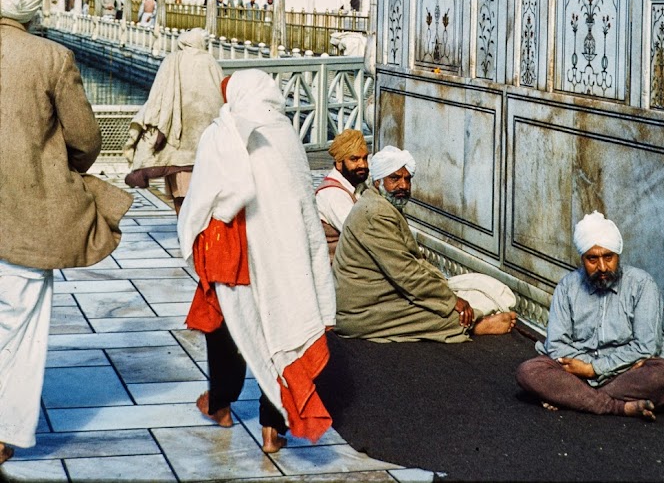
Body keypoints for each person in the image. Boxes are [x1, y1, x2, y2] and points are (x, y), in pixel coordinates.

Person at [0, 0, 132, 465]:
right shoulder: (52, 57)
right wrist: (55, 164)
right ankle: (4, 430)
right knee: (18, 326)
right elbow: (85, 139)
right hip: (26, 217)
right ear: (34, 6)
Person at [178, 70, 335, 453]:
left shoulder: (223, 130)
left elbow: (204, 195)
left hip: (237, 246)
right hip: (283, 246)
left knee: (230, 322)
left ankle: (221, 404)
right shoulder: (284, 131)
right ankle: (272, 428)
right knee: (278, 324)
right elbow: (301, 196)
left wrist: (192, 232)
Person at [333, 145, 516, 342]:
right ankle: (477, 325)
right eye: (394, 178)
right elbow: (406, 273)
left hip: (377, 296)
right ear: (378, 182)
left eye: (407, 179)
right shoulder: (376, 213)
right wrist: (451, 300)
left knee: (439, 301)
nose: (403, 185)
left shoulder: (382, 205)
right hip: (361, 310)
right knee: (449, 315)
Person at [515, 211, 664, 419]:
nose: (602, 267)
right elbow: (557, 344)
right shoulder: (568, 287)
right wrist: (581, 368)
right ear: (583, 259)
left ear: (618, 255)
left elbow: (645, 347)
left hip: (622, 372)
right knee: (528, 371)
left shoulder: (642, 285)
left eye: (608, 257)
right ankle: (620, 407)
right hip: (576, 371)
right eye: (593, 259)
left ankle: (573, 398)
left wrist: (593, 370)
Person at [124, 28, 223, 213]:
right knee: (204, 192)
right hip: (205, 137)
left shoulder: (172, 60)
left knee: (182, 192)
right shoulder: (210, 61)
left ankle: (183, 229)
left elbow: (158, 96)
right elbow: (219, 96)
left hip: (177, 141)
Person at [315, 129, 369, 260]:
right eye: (354, 159)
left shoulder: (357, 185)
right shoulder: (333, 194)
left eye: (365, 158)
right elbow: (363, 238)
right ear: (339, 163)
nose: (362, 164)